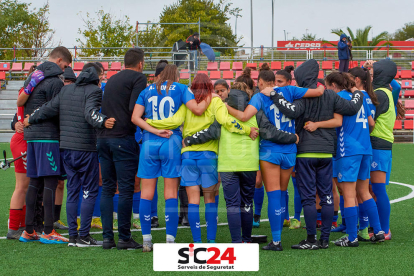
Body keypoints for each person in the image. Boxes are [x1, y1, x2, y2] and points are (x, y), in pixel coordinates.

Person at [262, 59, 364, 250]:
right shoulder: (330, 95)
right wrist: (357, 93)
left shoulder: (301, 97)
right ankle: (324, 239)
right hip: (326, 153)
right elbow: (352, 108)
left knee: (308, 197)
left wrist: (274, 94)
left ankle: (310, 240)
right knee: (326, 196)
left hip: (305, 153)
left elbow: (290, 111)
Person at [146, 73, 259, 243]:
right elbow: (227, 121)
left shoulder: (187, 105)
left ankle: (197, 241)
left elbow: (172, 121)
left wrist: (151, 122)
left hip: (188, 156)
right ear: (210, 88)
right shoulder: (215, 102)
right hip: (208, 157)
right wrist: (246, 130)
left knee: (192, 201)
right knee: (209, 199)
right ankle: (211, 241)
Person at [185, 81, 298, 244]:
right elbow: (270, 133)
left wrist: (189, 140)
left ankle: (236, 241)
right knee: (246, 203)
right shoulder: (256, 113)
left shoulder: (224, 113)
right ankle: (246, 240)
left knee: (232, 204)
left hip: (228, 166)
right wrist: (292, 137)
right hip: (249, 165)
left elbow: (210, 132)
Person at [226, 63, 324, 251]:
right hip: (289, 151)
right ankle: (281, 234)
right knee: (281, 192)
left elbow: (245, 117)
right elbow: (318, 92)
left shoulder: (259, 96)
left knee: (273, 197)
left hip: (270, 151)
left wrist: (223, 107)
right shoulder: (290, 90)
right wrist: (320, 86)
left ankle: (277, 241)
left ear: (261, 82)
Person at [25, 63, 115, 247]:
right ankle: (83, 236)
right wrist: (103, 121)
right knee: (89, 192)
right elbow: (90, 114)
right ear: (97, 79)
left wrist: (30, 119)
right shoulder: (94, 91)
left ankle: (73, 236)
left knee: (72, 191)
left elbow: (48, 108)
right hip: (85, 149)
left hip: (66, 149)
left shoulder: (66, 91)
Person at [131, 64, 211, 252]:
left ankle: (146, 240)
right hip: (172, 141)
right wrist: (211, 97)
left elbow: (135, 118)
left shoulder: (147, 90)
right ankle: (169, 240)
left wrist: (154, 130)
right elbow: (197, 110)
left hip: (150, 141)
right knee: (171, 194)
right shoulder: (182, 88)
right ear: (176, 75)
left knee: (146, 194)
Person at [312, 72, 384, 247]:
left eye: (328, 86)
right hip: (365, 149)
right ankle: (378, 230)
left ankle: (351, 237)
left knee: (350, 195)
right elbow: (372, 124)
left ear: (334, 86)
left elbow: (337, 122)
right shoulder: (359, 97)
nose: (327, 90)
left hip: (348, 150)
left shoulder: (338, 98)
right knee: (364, 192)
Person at [18, 46, 72, 244]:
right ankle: (48, 230)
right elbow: (55, 109)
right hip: (47, 137)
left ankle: (29, 230)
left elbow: (23, 101)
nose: (65, 70)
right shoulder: (55, 82)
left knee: (34, 182)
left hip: (31, 136)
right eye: (65, 66)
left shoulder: (33, 77)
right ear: (59, 61)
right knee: (50, 181)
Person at [97, 48, 147, 250]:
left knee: (108, 189)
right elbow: (133, 108)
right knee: (126, 190)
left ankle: (108, 238)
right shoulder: (139, 78)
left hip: (103, 139)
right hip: (122, 139)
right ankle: (125, 237)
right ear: (141, 64)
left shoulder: (111, 80)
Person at [6, 65, 38, 239]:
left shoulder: (26, 93)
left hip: (24, 139)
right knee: (22, 186)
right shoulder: (26, 93)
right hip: (22, 140)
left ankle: (24, 226)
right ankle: (13, 228)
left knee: (26, 186)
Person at [369, 59, 399, 241]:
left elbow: (371, 122)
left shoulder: (380, 94)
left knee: (378, 189)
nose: (370, 77)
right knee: (375, 189)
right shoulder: (388, 92)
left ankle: (385, 229)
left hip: (378, 145)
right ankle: (379, 227)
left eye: (373, 73)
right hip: (384, 146)